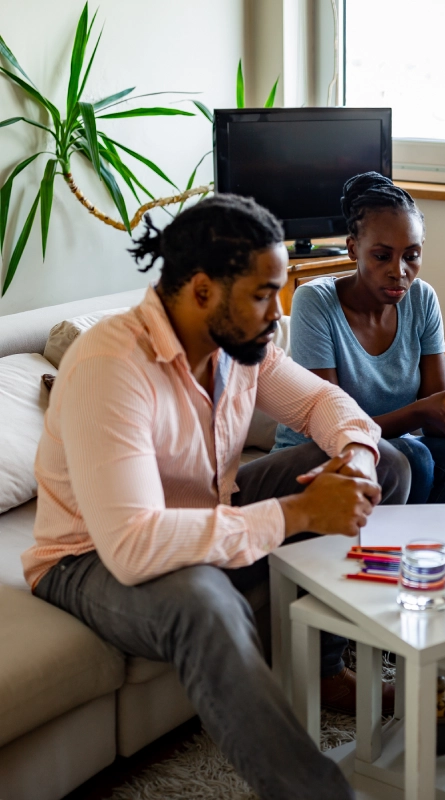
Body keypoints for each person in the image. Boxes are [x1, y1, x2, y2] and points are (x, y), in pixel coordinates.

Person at [21, 195, 412, 800]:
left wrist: (355, 462)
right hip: (87, 558)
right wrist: (299, 512)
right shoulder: (111, 365)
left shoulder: (239, 346)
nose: (276, 315)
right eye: (263, 295)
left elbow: (320, 405)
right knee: (204, 601)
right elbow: (132, 546)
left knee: (386, 463)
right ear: (202, 291)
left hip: (209, 514)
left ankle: (328, 664)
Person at [273, 172, 445, 504]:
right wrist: (422, 413)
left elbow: (436, 419)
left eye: (411, 255)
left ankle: (427, 550)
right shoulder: (315, 301)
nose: (399, 271)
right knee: (412, 458)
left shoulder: (421, 299)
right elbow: (333, 424)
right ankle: (385, 552)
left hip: (391, 450)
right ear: (353, 248)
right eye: (382, 256)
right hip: (318, 453)